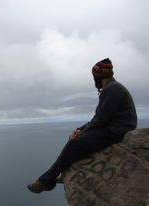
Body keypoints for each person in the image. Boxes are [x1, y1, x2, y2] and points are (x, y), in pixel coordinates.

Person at [27, 58, 137, 193]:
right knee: (75, 139)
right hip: (114, 127)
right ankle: (65, 172)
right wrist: (80, 129)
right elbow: (99, 118)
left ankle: (47, 181)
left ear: (98, 77)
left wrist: (82, 132)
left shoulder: (112, 89)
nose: (94, 81)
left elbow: (101, 119)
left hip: (117, 130)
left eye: (94, 77)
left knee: (75, 143)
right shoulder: (112, 88)